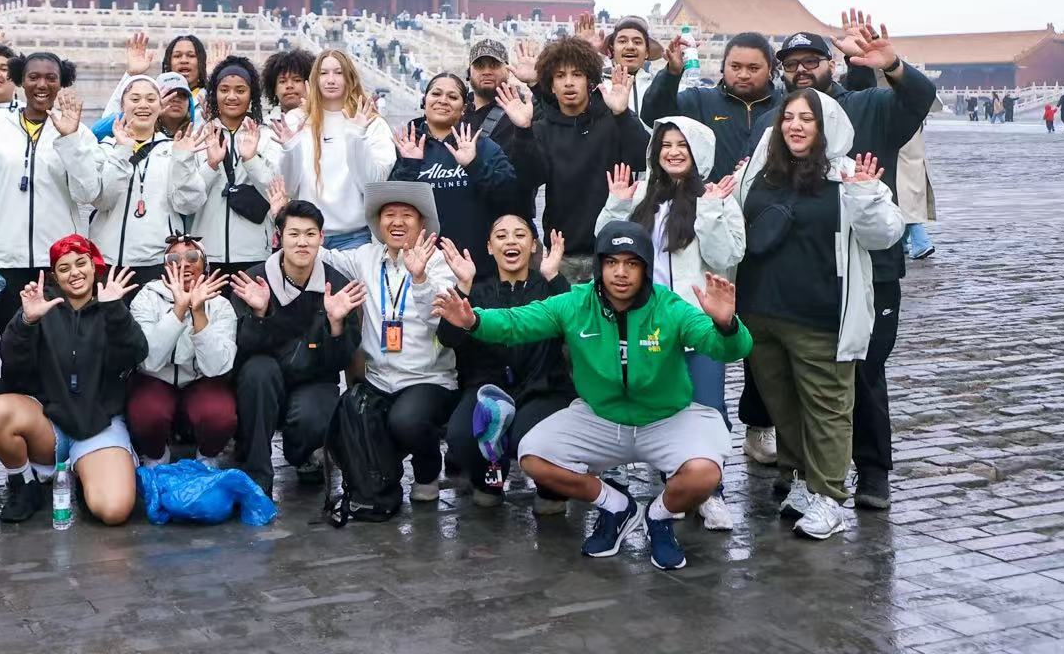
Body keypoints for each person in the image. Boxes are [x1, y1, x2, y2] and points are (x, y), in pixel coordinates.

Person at [431, 221, 752, 571]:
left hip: (665, 418)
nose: (621, 273)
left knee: (705, 474)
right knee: (533, 456)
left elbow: (725, 348)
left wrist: (726, 325)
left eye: (631, 263)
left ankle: (659, 516)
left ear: (645, 268)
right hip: (601, 417)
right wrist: (473, 321)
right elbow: (516, 322)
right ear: (599, 266)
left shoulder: (669, 307)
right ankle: (617, 507)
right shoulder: (576, 303)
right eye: (612, 262)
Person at [770, 16, 936, 509]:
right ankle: (804, 470)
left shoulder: (869, 106)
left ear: (832, 64)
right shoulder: (779, 121)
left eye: (811, 61)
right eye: (792, 64)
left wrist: (893, 66)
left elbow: (919, 99)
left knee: (864, 370)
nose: (802, 71)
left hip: (870, 268)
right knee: (802, 374)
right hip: (804, 270)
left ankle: (873, 470)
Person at [736, 88, 904, 538]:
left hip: (819, 316)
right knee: (783, 405)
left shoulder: (848, 174)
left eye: (806, 119)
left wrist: (865, 196)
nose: (795, 126)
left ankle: (829, 495)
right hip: (760, 313)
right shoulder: (759, 171)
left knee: (828, 408)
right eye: (788, 117)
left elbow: (885, 234)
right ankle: (800, 479)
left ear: (826, 126)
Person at [596, 114, 746, 530]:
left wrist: (711, 210)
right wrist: (617, 204)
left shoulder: (716, 196)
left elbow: (726, 256)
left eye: (682, 145)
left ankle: (712, 491)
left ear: (698, 152)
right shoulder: (643, 194)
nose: (674, 152)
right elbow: (607, 247)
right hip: (648, 324)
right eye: (666, 145)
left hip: (697, 323)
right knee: (662, 408)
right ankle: (675, 487)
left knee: (708, 406)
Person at [0, 235, 147, 524]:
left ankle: (87, 473)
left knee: (114, 511)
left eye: (81, 263)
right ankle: (25, 483)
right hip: (49, 423)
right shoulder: (42, 305)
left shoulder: (110, 304)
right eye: (64, 268)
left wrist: (115, 311)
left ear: (94, 266)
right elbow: (11, 362)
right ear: (55, 276)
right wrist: (26, 322)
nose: (75, 273)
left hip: (99, 424)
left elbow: (136, 354)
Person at [319, 182, 459, 502]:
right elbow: (322, 257)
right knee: (352, 420)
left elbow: (439, 320)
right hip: (379, 379)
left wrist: (420, 278)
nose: (397, 222)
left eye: (406, 215)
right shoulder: (365, 257)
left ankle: (427, 471)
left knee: (406, 421)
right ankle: (382, 481)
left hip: (427, 378)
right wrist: (284, 220)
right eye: (389, 215)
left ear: (421, 223)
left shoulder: (439, 262)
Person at [434, 215, 573, 510]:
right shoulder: (478, 290)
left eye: (520, 235)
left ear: (533, 245)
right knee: (461, 436)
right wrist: (463, 286)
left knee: (529, 436)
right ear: (489, 246)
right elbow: (448, 338)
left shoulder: (548, 287)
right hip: (487, 388)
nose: (511, 241)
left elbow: (576, 326)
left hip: (542, 388)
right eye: (501, 235)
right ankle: (489, 481)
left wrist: (554, 277)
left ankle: (551, 490)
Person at [227, 199, 364, 493]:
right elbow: (239, 349)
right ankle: (257, 471)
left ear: (321, 238)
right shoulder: (253, 281)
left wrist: (336, 325)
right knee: (257, 372)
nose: (302, 242)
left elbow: (340, 361)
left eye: (310, 234)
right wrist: (260, 315)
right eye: (294, 234)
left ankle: (301, 454)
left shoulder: (337, 285)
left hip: (314, 379)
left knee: (315, 417)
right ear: (279, 237)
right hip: (266, 379)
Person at [0, 52, 101, 332]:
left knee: (59, 345)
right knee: (13, 342)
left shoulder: (79, 133)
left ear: (61, 83)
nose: (42, 85)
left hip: (61, 264)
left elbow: (88, 193)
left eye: (51, 78)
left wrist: (70, 139)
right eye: (33, 77)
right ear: (20, 81)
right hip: (5, 261)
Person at [495, 36, 647, 284]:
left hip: (613, 249)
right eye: (560, 76)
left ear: (590, 81)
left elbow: (642, 159)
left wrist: (622, 115)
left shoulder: (612, 120)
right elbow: (529, 179)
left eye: (577, 74)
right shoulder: (542, 128)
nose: (568, 82)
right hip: (562, 253)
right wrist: (522, 131)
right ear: (551, 85)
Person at [126, 234, 238, 463]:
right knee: (146, 414)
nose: (184, 264)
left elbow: (216, 367)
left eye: (193, 257)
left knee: (219, 416)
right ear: (165, 268)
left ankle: (207, 457)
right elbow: (149, 360)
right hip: (156, 378)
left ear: (205, 265)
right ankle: (157, 455)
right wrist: (178, 310)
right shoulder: (146, 298)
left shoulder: (220, 304)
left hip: (201, 379)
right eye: (174, 259)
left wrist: (198, 313)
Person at [392, 73, 519, 276]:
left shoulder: (482, 145)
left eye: (452, 97)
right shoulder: (404, 144)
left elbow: (510, 196)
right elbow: (390, 207)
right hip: (419, 267)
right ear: (424, 101)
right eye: (436, 94)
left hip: (475, 267)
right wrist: (410, 165)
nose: (443, 100)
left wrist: (474, 165)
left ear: (464, 108)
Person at [90, 75, 211, 281]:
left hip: (160, 260)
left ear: (160, 106)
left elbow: (188, 205)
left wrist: (183, 160)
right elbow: (102, 201)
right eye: (135, 99)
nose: (143, 105)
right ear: (123, 105)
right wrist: (122, 151)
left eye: (151, 99)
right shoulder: (106, 148)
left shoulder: (175, 149)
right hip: (109, 259)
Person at [276, 50, 396, 250]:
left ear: (350, 77)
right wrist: (290, 149)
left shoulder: (371, 122)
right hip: (307, 236)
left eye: (338, 73)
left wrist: (356, 136)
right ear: (314, 79)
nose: (330, 80)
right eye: (323, 73)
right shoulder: (296, 120)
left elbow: (373, 183)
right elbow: (288, 187)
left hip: (354, 237)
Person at [639, 31, 781, 173]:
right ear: (723, 67)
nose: (743, 75)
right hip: (710, 187)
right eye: (735, 67)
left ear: (769, 69)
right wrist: (671, 73)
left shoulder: (784, 107)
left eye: (753, 68)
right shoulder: (700, 100)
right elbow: (653, 115)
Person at [195, 55, 281, 277]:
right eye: (224, 90)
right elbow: (186, 201)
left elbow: (277, 194)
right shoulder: (199, 137)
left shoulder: (268, 137)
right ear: (214, 94)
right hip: (206, 253)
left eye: (240, 90)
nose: (232, 96)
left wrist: (251, 160)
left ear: (252, 94)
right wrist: (211, 166)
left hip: (254, 253)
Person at [606, 17, 665, 131]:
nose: (630, 47)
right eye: (622, 41)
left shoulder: (657, 87)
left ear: (647, 52)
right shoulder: (600, 86)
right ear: (612, 50)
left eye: (637, 42)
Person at [462, 38, 519, 141]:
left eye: (494, 65)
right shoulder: (457, 107)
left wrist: (533, 83)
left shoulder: (520, 109)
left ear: (508, 71)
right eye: (480, 66)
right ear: (468, 73)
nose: (487, 72)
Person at [898, 125, 936, 261]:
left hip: (903, 163)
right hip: (916, 163)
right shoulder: (916, 117)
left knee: (906, 207)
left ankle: (921, 243)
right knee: (909, 205)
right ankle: (901, 243)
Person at [261, 47, 315, 130]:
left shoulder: (323, 121)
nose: (289, 85)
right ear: (274, 89)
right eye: (282, 81)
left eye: (297, 80)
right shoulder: (265, 126)